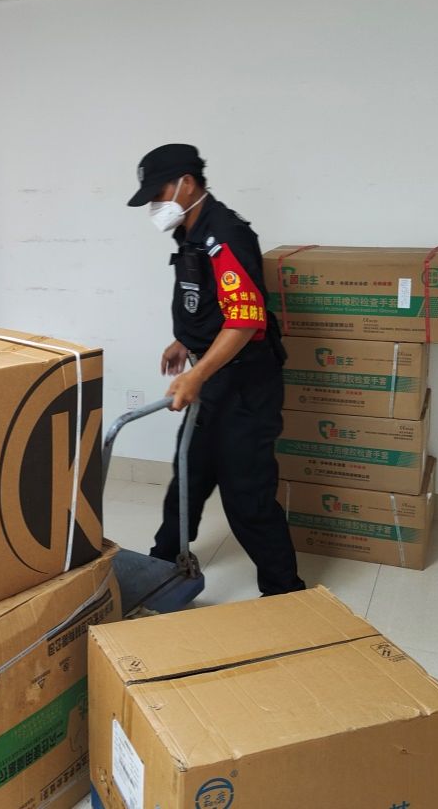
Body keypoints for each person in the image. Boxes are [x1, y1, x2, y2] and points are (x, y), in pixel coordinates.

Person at [128, 143, 304, 596]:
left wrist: (197, 373)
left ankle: (285, 592)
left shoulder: (224, 234)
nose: (154, 205)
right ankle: (161, 567)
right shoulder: (191, 232)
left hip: (245, 385)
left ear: (187, 183)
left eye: (159, 193)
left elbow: (245, 321)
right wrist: (185, 341)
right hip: (214, 379)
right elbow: (210, 303)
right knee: (188, 475)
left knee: (248, 496)